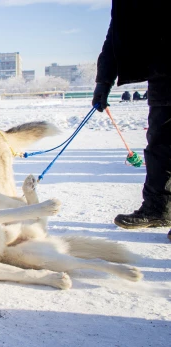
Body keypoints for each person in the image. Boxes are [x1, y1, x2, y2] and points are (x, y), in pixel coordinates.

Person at [91, 0, 170, 236]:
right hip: (162, 73)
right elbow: (116, 34)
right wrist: (103, 80)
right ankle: (158, 208)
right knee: (159, 145)